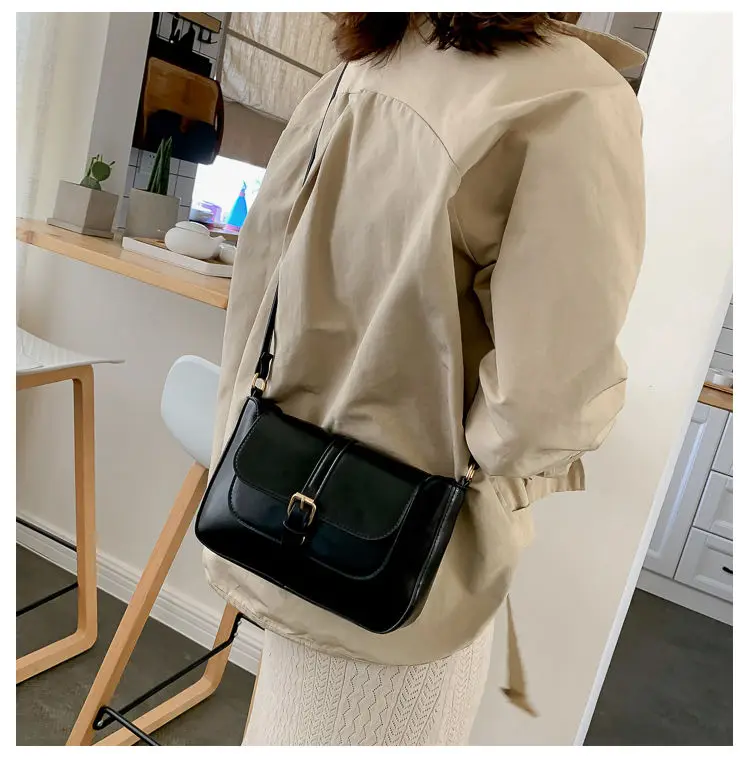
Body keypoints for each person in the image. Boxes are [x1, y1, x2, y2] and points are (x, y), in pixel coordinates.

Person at [203, 12, 646, 745]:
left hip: (275, 522)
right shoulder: (573, 99)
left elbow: (259, 300)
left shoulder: (362, 68)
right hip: (408, 568)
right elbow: (544, 408)